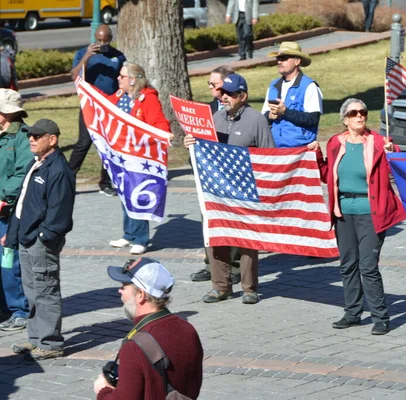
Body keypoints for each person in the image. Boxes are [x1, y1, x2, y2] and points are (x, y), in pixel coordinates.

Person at [308, 98, 406, 335]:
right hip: (343, 212)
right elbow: (326, 176)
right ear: (344, 119)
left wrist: (394, 152)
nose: (359, 116)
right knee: (347, 265)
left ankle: (380, 317)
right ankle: (352, 313)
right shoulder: (335, 142)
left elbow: (399, 169)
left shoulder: (379, 143)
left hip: (372, 213)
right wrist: (317, 154)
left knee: (368, 266)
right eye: (353, 113)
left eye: (363, 112)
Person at [184, 73, 274, 304]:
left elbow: (269, 156)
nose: (224, 97)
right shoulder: (215, 117)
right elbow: (203, 152)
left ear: (242, 96)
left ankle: (249, 288)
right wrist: (191, 145)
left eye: (230, 94)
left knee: (246, 241)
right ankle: (221, 286)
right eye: (222, 93)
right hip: (216, 190)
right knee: (216, 236)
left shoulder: (256, 120)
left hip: (245, 191)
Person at [4, 119, 75, 361]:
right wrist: (13, 234)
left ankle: (50, 342)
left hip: (40, 241)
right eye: (29, 135)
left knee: (46, 291)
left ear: (52, 139)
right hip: (26, 238)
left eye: (36, 135)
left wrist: (44, 237)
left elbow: (60, 212)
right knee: (32, 291)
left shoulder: (58, 170)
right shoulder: (37, 164)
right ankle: (35, 339)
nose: (31, 139)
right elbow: (22, 203)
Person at [94, 257, 203, 399]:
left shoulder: (134, 348)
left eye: (124, 286)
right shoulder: (188, 330)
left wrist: (103, 390)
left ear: (140, 295)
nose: (119, 291)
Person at [106, 62, 172, 256]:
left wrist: (165, 133)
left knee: (138, 196)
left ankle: (141, 238)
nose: (118, 79)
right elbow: (105, 106)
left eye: (122, 76)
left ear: (133, 80)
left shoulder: (147, 99)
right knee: (125, 194)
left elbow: (157, 121)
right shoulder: (120, 96)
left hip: (140, 156)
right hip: (122, 155)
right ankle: (129, 234)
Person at [190, 65, 242, 285]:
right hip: (210, 176)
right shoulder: (208, 109)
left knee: (232, 221)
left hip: (231, 175)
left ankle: (235, 266)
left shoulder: (240, 108)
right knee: (209, 220)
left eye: (215, 84)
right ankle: (211, 265)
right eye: (209, 84)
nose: (211, 88)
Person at [69, 24, 126, 197]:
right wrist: (87, 56)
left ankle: (105, 182)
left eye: (105, 40)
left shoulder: (118, 56)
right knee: (83, 143)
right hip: (90, 105)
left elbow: (123, 79)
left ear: (110, 39)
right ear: (95, 38)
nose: (102, 43)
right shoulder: (83, 53)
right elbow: (74, 75)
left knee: (109, 145)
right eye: (98, 40)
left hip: (110, 106)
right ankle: (67, 179)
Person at [0, 89, 31, 332]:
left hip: (7, 213)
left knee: (9, 263)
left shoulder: (22, 136)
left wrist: (3, 198)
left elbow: (22, 174)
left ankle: (19, 311)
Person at [262, 42, 323, 148]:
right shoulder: (273, 86)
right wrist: (269, 116)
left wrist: (285, 111)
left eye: (284, 58)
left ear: (297, 61)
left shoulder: (309, 86)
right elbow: (263, 117)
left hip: (300, 149)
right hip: (275, 148)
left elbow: (312, 119)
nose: (279, 62)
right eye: (278, 58)